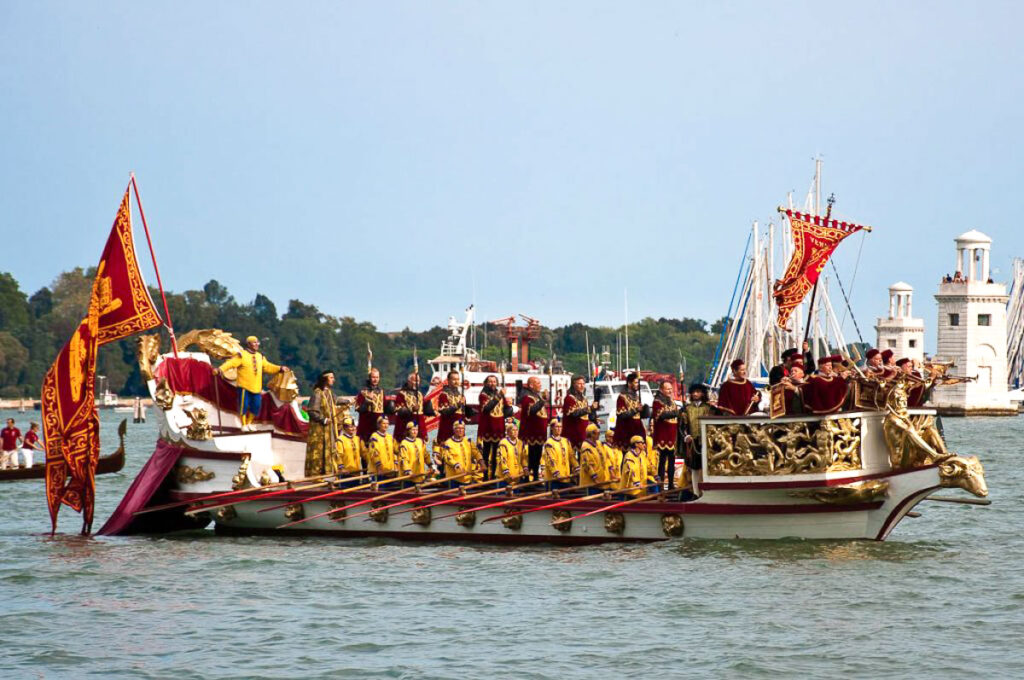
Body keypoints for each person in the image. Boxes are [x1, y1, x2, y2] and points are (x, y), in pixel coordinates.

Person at [216, 336, 287, 431]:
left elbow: (268, 367)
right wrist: (220, 369)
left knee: (256, 406)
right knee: (243, 406)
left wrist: (280, 368)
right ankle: (244, 424)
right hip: (244, 386)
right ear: (249, 344)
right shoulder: (242, 355)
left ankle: (249, 423)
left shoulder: (260, 356)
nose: (257, 344)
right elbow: (231, 363)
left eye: (257, 342)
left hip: (256, 387)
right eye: (254, 342)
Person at [304, 370, 351, 477]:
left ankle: (330, 473)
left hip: (328, 429)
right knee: (319, 453)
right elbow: (312, 411)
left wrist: (348, 401)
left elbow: (336, 400)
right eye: (331, 378)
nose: (333, 380)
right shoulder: (317, 393)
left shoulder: (329, 392)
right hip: (319, 430)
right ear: (325, 379)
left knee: (331, 450)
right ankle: (317, 475)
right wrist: (323, 419)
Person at [517, 376, 550, 480]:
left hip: (539, 433)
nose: (540, 385)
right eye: (538, 383)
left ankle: (535, 477)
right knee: (531, 456)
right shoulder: (527, 397)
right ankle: (528, 479)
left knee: (538, 456)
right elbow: (531, 411)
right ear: (531, 385)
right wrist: (543, 401)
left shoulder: (536, 396)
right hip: (531, 433)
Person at [477, 375, 509, 478]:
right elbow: (487, 408)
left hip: (499, 427)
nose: (492, 383)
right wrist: (500, 396)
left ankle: (494, 475)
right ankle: (485, 477)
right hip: (488, 427)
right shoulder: (483, 395)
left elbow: (505, 411)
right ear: (486, 383)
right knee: (486, 453)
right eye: (490, 382)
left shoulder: (499, 394)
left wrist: (511, 408)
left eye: (494, 381)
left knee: (496, 454)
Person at [651, 380, 680, 489]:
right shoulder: (657, 402)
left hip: (672, 434)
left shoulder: (672, 401)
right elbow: (661, 415)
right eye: (668, 389)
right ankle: (661, 485)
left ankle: (671, 484)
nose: (670, 391)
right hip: (663, 434)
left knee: (672, 461)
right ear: (661, 390)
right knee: (662, 460)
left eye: (671, 389)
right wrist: (676, 413)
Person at [392, 372, 434, 443]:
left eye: (418, 381)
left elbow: (423, 413)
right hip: (406, 429)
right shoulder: (402, 394)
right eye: (414, 381)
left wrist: (430, 409)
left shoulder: (420, 394)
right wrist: (411, 409)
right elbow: (399, 411)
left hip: (419, 428)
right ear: (409, 381)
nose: (416, 383)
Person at [441, 420, 484, 485]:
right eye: (458, 428)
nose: (461, 430)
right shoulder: (448, 443)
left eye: (462, 428)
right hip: (454, 478)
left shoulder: (468, 441)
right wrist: (457, 465)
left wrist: (481, 463)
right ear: (454, 430)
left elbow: (476, 453)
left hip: (467, 477)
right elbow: (447, 458)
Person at [561, 375, 598, 451]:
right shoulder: (569, 398)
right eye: (579, 384)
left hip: (583, 434)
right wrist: (590, 408)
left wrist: (594, 416)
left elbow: (587, 415)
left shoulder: (584, 398)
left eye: (583, 384)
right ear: (574, 384)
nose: (582, 386)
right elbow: (574, 413)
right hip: (572, 434)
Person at [613, 372, 649, 450]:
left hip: (637, 429)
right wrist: (636, 410)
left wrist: (644, 411)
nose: (637, 385)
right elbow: (621, 414)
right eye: (636, 382)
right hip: (627, 431)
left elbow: (639, 415)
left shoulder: (636, 397)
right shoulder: (622, 397)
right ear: (629, 383)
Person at [435, 370, 468, 447]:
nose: (456, 382)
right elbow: (445, 412)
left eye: (458, 379)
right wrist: (458, 405)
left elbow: (463, 414)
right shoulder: (444, 395)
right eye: (454, 379)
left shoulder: (461, 396)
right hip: (448, 428)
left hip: (459, 429)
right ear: (448, 381)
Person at [355, 367, 386, 444]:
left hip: (378, 425)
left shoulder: (381, 391)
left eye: (377, 377)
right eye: (373, 377)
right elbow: (358, 408)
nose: (375, 379)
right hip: (366, 425)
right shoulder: (363, 392)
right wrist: (366, 401)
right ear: (370, 378)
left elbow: (385, 407)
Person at [542, 419, 575, 488]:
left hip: (566, 477)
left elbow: (571, 456)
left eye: (560, 427)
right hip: (554, 479)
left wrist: (577, 467)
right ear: (552, 428)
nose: (559, 429)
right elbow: (550, 460)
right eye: (557, 427)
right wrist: (556, 473)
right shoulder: (549, 443)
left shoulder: (566, 441)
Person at [496, 418, 525, 487]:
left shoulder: (520, 443)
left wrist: (525, 468)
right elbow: (502, 459)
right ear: (508, 432)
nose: (515, 432)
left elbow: (523, 458)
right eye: (513, 430)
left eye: (516, 430)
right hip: (504, 477)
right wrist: (506, 472)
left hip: (516, 476)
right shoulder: (503, 443)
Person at [578, 424, 608, 490]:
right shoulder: (586, 446)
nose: (599, 434)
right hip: (591, 484)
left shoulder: (598, 443)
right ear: (592, 434)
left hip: (600, 481)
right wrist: (595, 479)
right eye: (597, 433)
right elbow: (587, 465)